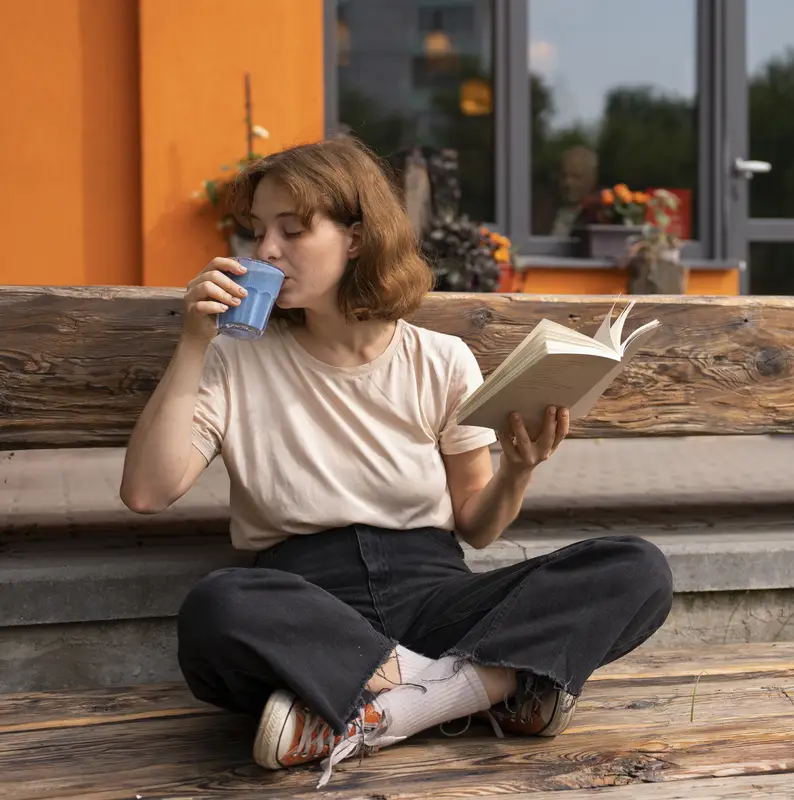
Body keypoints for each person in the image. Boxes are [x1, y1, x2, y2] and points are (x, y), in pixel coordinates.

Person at [119, 138, 674, 788]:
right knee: (218, 608)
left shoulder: (439, 360)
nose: (264, 250)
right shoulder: (234, 359)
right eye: (258, 231)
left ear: (356, 238)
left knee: (637, 569)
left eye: (292, 230)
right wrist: (191, 344)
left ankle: (371, 710)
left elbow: (476, 524)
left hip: (436, 592)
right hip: (307, 599)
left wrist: (519, 471)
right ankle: (485, 687)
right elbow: (148, 492)